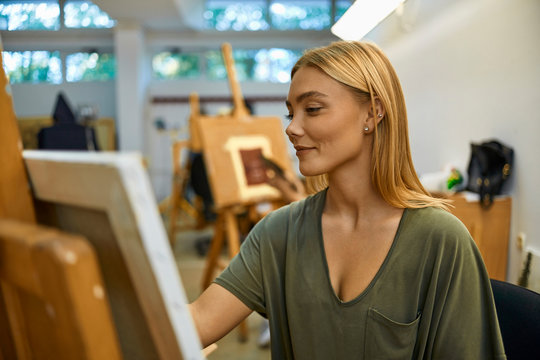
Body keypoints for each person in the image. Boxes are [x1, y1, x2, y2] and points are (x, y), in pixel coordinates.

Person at [189, 40, 506, 359]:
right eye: (291, 113)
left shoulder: (440, 241)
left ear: (373, 111)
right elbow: (200, 320)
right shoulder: (277, 233)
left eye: (312, 109)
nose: (292, 128)